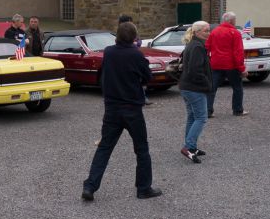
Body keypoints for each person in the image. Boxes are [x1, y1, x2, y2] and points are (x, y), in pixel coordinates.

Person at [81, 21, 160, 201]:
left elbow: (103, 74)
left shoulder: (108, 52)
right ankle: (144, 187)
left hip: (112, 108)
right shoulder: (136, 55)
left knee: (104, 148)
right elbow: (148, 77)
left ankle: (90, 186)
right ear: (134, 37)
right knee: (141, 149)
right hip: (132, 108)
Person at [178, 21, 212, 163]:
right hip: (194, 88)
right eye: (205, 31)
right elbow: (195, 70)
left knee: (192, 117)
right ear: (197, 32)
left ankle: (191, 147)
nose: (208, 33)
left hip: (187, 87)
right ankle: (188, 147)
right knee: (201, 117)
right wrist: (207, 84)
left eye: (209, 30)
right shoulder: (197, 46)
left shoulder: (193, 44)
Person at [206, 11, 247, 117]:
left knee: (212, 88)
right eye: (235, 19)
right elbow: (238, 52)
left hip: (215, 64)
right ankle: (237, 110)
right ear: (231, 20)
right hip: (231, 65)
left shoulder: (214, 32)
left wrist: (209, 59)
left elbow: (207, 47)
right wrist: (242, 68)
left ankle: (208, 111)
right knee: (237, 88)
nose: (235, 21)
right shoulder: (235, 33)